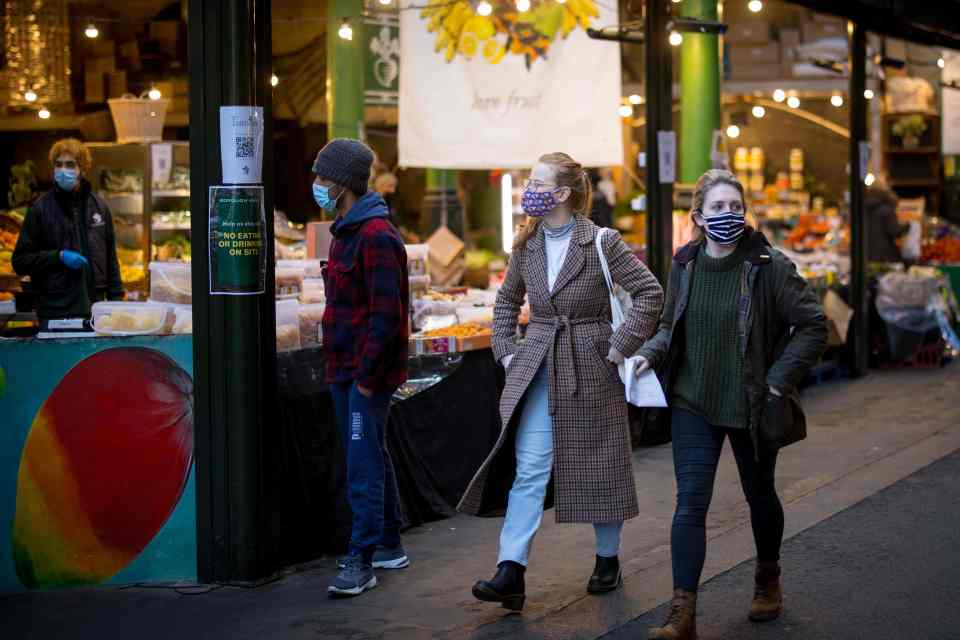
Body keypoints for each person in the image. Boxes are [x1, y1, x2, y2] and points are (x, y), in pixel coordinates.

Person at [458, 152, 664, 610]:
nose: (528, 188)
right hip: (538, 360)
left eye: (536, 181)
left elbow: (650, 293)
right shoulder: (525, 244)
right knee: (530, 467)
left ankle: (607, 559)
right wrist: (508, 352)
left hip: (592, 360)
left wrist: (620, 345)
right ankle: (510, 569)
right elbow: (506, 303)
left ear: (564, 193)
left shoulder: (602, 241)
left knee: (601, 463)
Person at [634, 170, 827, 639]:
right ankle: (683, 614)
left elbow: (814, 324)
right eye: (718, 208)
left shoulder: (768, 265)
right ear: (698, 217)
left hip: (750, 403)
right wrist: (647, 354)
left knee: (759, 495)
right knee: (690, 503)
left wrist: (778, 382)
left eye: (736, 207)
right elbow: (668, 325)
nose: (729, 215)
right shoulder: (684, 264)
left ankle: (767, 578)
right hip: (692, 400)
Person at [315, 138, 411, 598]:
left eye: (323, 178)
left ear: (344, 184)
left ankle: (362, 558)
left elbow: (386, 315)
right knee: (372, 453)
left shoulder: (374, 236)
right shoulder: (346, 231)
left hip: (363, 374)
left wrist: (369, 379)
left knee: (362, 463)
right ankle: (389, 542)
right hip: (345, 367)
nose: (316, 186)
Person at [12, 138, 124, 322]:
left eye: (70, 164)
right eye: (59, 164)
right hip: (55, 310)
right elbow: (20, 261)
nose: (63, 170)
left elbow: (111, 259)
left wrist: (116, 302)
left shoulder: (100, 208)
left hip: (97, 310)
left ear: (82, 169)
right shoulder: (40, 209)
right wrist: (58, 257)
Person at [865, 177, 909, 264]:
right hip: (885, 256)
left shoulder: (863, 209)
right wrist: (908, 226)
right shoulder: (886, 210)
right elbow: (894, 231)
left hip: (867, 254)